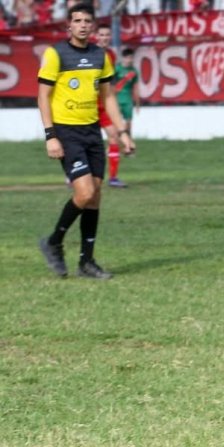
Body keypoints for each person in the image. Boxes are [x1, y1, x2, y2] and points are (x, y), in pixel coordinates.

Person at [38, 2, 135, 279]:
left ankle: (86, 262)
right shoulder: (55, 54)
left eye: (87, 21)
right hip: (66, 133)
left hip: (91, 132)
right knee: (84, 193)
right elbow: (43, 96)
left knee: (95, 197)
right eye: (77, 20)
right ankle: (54, 242)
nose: (82, 25)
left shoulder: (99, 55)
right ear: (68, 25)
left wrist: (122, 132)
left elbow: (108, 97)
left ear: (92, 26)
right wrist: (50, 136)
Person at [93, 23, 127, 187]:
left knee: (113, 136)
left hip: (104, 103)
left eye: (107, 35)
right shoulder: (89, 52)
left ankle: (113, 178)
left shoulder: (111, 55)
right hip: (88, 104)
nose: (104, 38)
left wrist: (113, 100)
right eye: (101, 35)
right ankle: (74, 176)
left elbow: (109, 82)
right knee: (86, 141)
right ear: (96, 36)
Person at [113, 46, 140, 185]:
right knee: (118, 126)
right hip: (117, 100)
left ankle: (128, 147)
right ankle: (117, 147)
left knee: (128, 124)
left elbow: (136, 87)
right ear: (123, 58)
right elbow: (111, 85)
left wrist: (137, 102)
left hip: (128, 100)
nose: (129, 60)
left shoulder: (134, 72)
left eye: (131, 57)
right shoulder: (117, 69)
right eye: (127, 57)